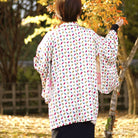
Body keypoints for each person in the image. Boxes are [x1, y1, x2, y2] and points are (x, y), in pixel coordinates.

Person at [34, 0, 124, 137]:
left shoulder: (51, 37)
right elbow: (109, 52)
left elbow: (41, 64)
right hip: (86, 106)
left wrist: (50, 78)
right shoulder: (89, 35)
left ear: (58, 13)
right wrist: (114, 28)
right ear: (79, 12)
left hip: (61, 107)